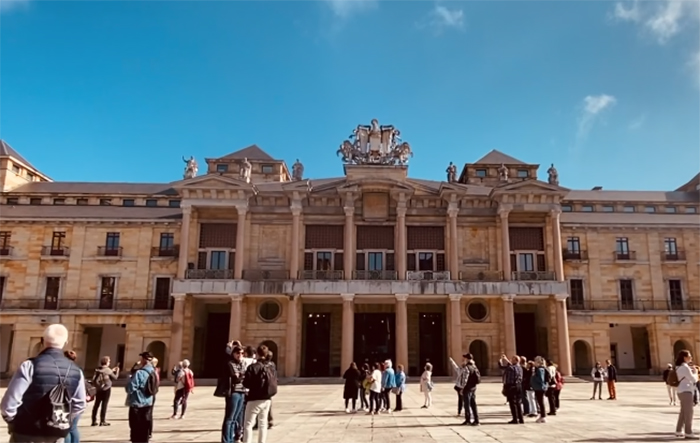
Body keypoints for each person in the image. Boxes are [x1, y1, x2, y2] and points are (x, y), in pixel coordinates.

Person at [1, 324, 86, 443]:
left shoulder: (29, 365)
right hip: (56, 435)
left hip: (26, 432)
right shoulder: (76, 370)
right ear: (66, 342)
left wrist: (14, 421)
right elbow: (80, 404)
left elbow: (9, 403)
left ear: (42, 340)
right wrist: (63, 420)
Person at [242, 344, 277, 443]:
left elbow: (246, 383)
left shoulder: (253, 367)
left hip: (254, 398)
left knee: (248, 424)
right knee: (263, 423)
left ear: (256, 353)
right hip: (267, 398)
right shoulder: (271, 366)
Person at [216, 345, 248, 443]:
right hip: (233, 392)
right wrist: (241, 376)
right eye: (238, 353)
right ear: (233, 354)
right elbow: (235, 378)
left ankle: (233, 437)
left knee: (236, 418)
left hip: (242, 391)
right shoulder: (230, 363)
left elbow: (244, 376)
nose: (240, 355)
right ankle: (226, 440)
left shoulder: (243, 363)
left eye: (242, 353)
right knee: (230, 417)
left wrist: (240, 375)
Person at [126, 351, 157, 443]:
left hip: (137, 402)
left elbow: (130, 388)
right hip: (148, 402)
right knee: (145, 427)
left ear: (144, 360)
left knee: (135, 428)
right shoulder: (153, 371)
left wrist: (129, 380)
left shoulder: (140, 373)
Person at [674, 349, 698, 439]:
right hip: (687, 391)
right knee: (688, 412)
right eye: (689, 356)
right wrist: (695, 372)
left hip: (681, 390)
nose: (691, 357)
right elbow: (694, 379)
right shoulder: (685, 367)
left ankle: (678, 430)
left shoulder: (678, 366)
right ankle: (688, 431)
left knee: (683, 412)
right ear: (685, 357)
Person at [91, 356, 119, 427]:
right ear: (106, 362)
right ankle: (102, 421)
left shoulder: (98, 369)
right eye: (109, 361)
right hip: (106, 389)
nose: (109, 362)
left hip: (99, 389)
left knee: (96, 405)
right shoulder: (107, 370)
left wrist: (111, 370)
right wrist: (117, 371)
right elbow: (115, 377)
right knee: (104, 405)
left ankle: (93, 420)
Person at [502, 355, 524, 424]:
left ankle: (515, 419)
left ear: (516, 360)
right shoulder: (520, 367)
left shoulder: (511, 368)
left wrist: (505, 360)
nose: (511, 360)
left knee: (512, 403)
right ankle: (521, 419)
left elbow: (509, 368)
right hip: (519, 386)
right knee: (518, 403)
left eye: (513, 359)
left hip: (511, 386)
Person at [462, 355, 480, 426]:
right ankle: (476, 420)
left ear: (467, 359)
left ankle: (468, 420)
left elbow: (465, 379)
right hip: (473, 387)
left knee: (467, 404)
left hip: (467, 388)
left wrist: (462, 387)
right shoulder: (474, 366)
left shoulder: (467, 367)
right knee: (473, 404)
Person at [530, 356, 549, 423]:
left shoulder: (540, 369)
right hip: (539, 387)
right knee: (540, 402)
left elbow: (541, 379)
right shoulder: (538, 369)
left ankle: (543, 416)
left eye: (535, 361)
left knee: (541, 402)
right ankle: (542, 416)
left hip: (540, 388)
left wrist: (534, 377)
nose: (534, 362)